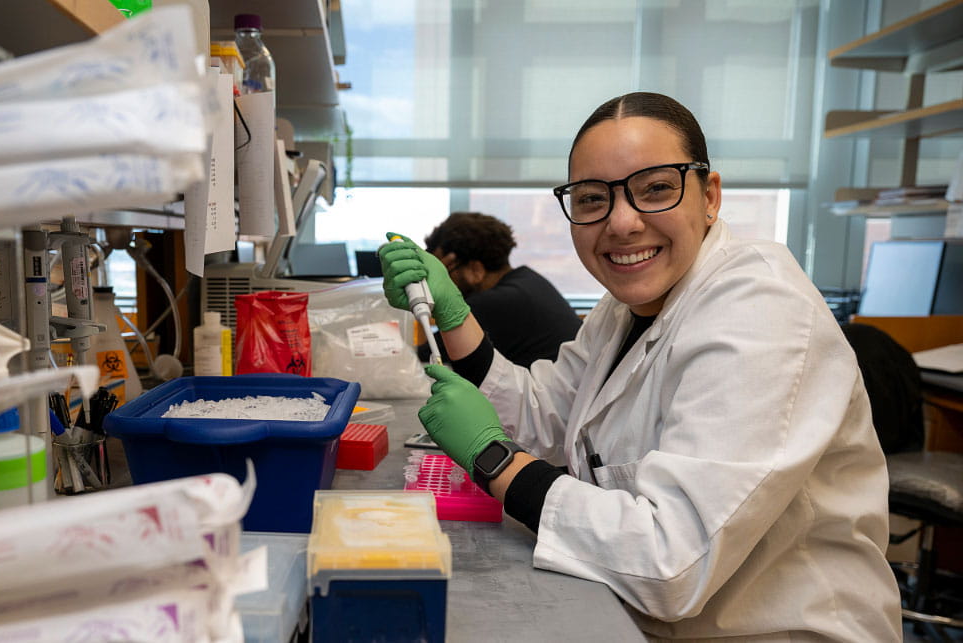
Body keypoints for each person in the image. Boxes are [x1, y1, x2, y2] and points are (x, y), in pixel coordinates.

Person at [379, 92, 901, 641]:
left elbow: (672, 560)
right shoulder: (626, 307)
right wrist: (455, 314)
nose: (622, 223)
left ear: (710, 196)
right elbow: (546, 417)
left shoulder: (761, 310)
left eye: (655, 189)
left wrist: (494, 462)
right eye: (591, 199)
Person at [420, 212, 582, 368]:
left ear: (475, 270)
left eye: (444, 271)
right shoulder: (527, 281)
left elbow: (428, 356)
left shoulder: (493, 303)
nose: (437, 281)